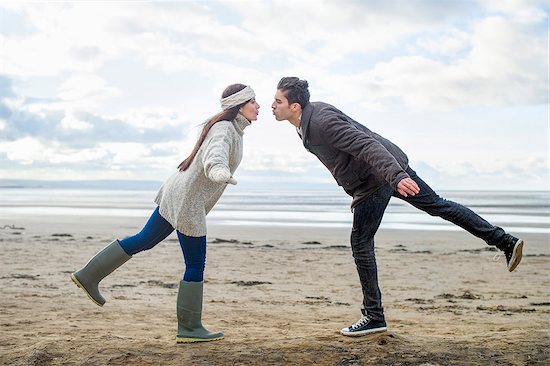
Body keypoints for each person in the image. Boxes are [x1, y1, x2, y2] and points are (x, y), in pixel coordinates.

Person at [271, 76, 524, 337]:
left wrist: (396, 176)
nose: (272, 105)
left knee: (361, 242)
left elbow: (365, 144)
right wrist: (395, 174)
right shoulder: (308, 119)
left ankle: (374, 316)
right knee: (438, 205)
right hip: (389, 169)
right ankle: (504, 241)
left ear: (295, 106)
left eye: (278, 101)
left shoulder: (322, 122)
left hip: (378, 178)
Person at [71, 83, 260, 343]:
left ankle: (88, 275)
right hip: (187, 202)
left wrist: (218, 170)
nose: (258, 106)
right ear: (239, 105)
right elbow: (215, 156)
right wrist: (219, 171)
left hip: (178, 193)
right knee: (195, 264)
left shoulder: (231, 129)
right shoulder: (225, 129)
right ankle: (190, 328)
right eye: (253, 101)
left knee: (143, 240)